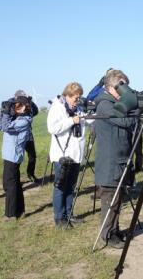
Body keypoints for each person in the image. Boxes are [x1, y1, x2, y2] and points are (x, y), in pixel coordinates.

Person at [94, 69, 137, 249]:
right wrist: (135, 109)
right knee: (110, 201)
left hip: (118, 159)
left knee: (117, 199)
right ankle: (108, 235)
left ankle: (115, 230)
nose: (125, 91)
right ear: (112, 88)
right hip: (110, 162)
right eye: (122, 86)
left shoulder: (112, 102)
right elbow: (125, 122)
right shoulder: (105, 104)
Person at [47, 82, 91, 228]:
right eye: (75, 98)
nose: (77, 100)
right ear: (68, 95)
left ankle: (69, 214)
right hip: (62, 156)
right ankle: (59, 218)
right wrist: (71, 120)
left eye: (78, 98)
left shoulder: (78, 108)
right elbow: (52, 128)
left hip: (76, 154)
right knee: (60, 187)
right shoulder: (57, 108)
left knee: (71, 186)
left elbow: (89, 120)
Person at [0, 96, 33, 220]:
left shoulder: (25, 121)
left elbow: (6, 127)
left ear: (25, 107)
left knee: (10, 185)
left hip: (13, 156)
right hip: (8, 155)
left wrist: (6, 113)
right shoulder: (15, 118)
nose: (15, 108)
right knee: (14, 184)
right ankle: (20, 211)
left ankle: (10, 214)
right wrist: (3, 112)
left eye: (18, 105)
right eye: (15, 106)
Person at [11, 90, 39, 183]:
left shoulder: (28, 106)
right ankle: (16, 178)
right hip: (17, 137)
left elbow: (36, 111)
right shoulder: (13, 106)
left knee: (32, 156)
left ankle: (31, 174)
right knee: (17, 157)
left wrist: (30, 101)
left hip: (28, 135)